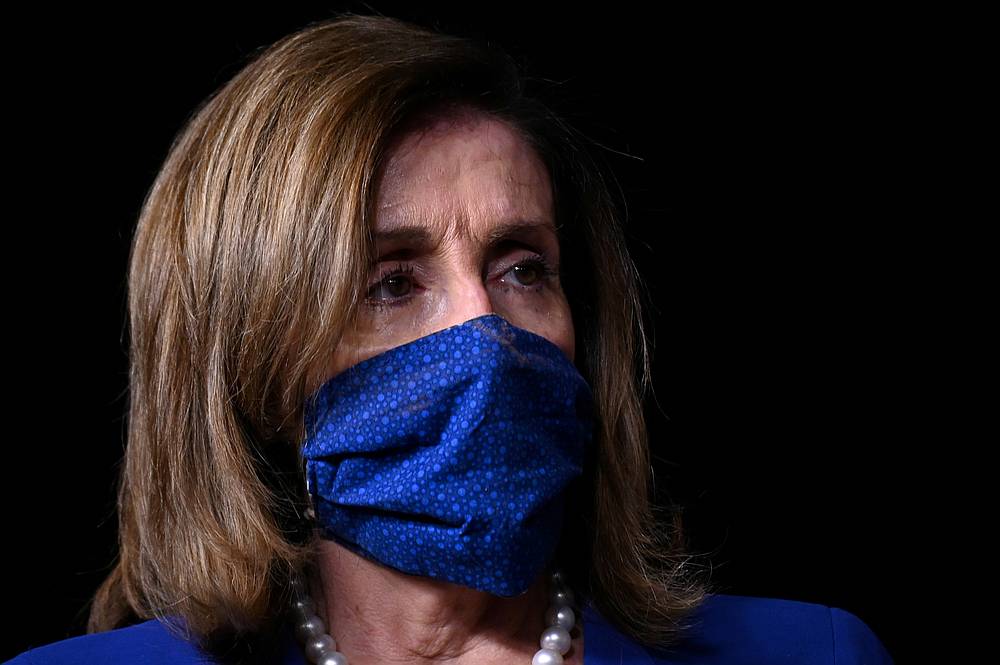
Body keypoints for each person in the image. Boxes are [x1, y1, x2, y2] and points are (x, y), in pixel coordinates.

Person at [4, 13, 894, 665]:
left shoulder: (813, 653)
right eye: (391, 283)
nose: (484, 330)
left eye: (522, 268)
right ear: (252, 365)